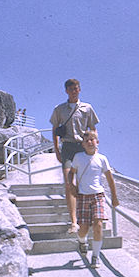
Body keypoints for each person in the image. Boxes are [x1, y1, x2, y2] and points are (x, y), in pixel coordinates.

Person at [49, 79, 99, 234]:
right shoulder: (59, 109)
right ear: (66, 91)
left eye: (76, 89)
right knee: (69, 182)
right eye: (71, 89)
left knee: (84, 181)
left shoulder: (87, 108)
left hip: (82, 147)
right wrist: (57, 149)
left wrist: (94, 147)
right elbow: (55, 129)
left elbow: (93, 129)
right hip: (68, 147)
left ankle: (86, 217)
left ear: (79, 90)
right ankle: (73, 222)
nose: (74, 91)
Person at [69, 130, 119, 268]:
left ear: (97, 142)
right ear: (83, 145)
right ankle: (82, 241)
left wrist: (114, 197)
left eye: (92, 139)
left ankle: (95, 256)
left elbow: (110, 179)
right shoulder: (78, 157)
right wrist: (71, 185)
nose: (90, 142)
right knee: (83, 229)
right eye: (86, 141)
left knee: (98, 225)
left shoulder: (102, 159)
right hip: (83, 196)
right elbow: (71, 173)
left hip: (98, 195)